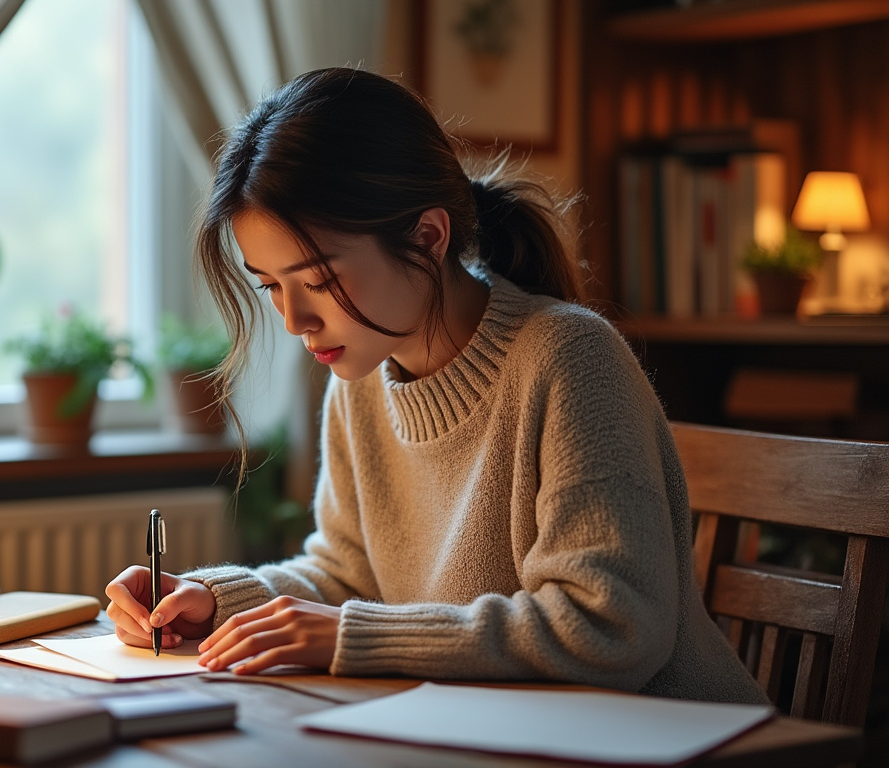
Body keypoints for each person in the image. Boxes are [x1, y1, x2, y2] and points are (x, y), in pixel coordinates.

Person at [105, 67, 766, 704]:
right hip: (496, 733)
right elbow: (346, 577)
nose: (294, 320)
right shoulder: (360, 380)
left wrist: (355, 635)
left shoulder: (569, 359)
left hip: (673, 739)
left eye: (319, 280)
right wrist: (212, 600)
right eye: (271, 286)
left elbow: (611, 628)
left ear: (426, 238)